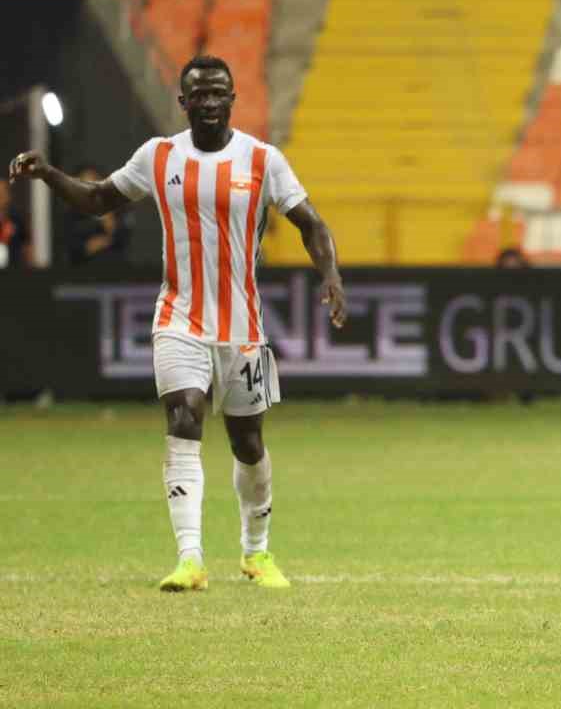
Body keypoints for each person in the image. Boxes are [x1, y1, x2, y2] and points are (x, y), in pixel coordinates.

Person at [9, 54, 346, 592]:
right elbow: (99, 201)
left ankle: (256, 553)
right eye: (200, 94)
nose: (210, 102)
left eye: (220, 93)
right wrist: (49, 174)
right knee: (184, 417)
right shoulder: (158, 155)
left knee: (248, 442)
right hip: (179, 318)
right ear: (183, 102)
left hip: (242, 328)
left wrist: (329, 273)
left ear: (233, 99)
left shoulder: (262, 160)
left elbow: (311, 222)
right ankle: (190, 560)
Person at [65, 166, 133, 264]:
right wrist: (88, 247)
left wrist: (108, 221)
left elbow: (123, 239)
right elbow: (71, 247)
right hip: (82, 270)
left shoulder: (115, 208)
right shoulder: (72, 215)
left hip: (115, 267)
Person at [0, 179, 30, 269]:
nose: (1, 196)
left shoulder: (17, 218)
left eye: (3, 192)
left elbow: (26, 245)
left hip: (14, 270)